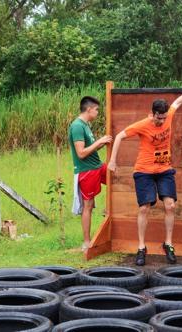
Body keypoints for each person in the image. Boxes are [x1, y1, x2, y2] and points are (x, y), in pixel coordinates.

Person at [108, 85, 182, 266]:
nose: (162, 122)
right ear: (152, 114)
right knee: (144, 208)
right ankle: (142, 247)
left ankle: (168, 244)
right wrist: (113, 161)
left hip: (164, 170)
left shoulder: (168, 116)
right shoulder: (143, 125)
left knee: (170, 206)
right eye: (159, 119)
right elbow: (120, 136)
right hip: (144, 171)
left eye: (164, 118)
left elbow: (177, 102)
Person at [68, 96, 112, 254]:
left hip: (97, 166)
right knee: (88, 205)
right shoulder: (77, 126)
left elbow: (90, 149)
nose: (98, 112)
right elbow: (80, 153)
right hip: (86, 171)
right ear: (89, 109)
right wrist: (100, 142)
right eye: (97, 110)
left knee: (116, 181)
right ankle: (87, 242)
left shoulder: (86, 125)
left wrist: (102, 145)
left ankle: (110, 217)